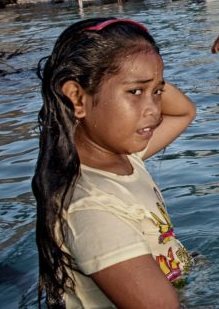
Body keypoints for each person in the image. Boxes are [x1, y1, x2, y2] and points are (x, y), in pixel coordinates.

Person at [32, 18, 197, 308]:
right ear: (76, 98)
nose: (154, 111)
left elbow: (183, 112)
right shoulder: (91, 209)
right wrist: (147, 76)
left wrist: (146, 73)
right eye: (135, 92)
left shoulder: (126, 158)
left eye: (157, 92)